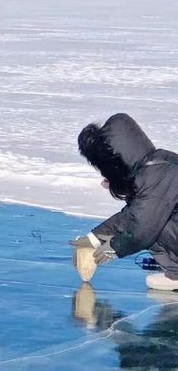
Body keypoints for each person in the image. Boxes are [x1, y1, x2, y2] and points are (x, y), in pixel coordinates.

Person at [72, 113, 178, 291]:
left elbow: (142, 230)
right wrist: (94, 238)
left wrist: (114, 247)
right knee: (147, 219)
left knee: (152, 228)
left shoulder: (157, 176)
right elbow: (135, 212)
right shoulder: (155, 166)